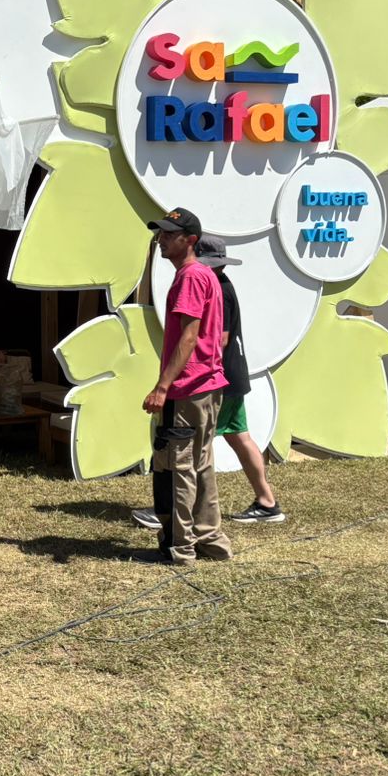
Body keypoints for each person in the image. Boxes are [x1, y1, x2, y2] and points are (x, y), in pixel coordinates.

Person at [132, 236, 285, 528]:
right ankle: (267, 502)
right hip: (231, 375)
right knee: (236, 437)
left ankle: (175, 510)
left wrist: (188, 364)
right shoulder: (221, 284)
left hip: (215, 377)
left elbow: (220, 338)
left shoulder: (214, 288)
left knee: (191, 445)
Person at [141, 207, 233, 565]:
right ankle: (211, 540)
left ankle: (180, 547)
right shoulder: (205, 275)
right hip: (206, 386)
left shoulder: (191, 277)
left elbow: (189, 335)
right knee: (199, 464)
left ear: (190, 240)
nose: (162, 240)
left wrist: (163, 387)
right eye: (161, 234)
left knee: (177, 468)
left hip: (188, 388)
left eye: (169, 235)